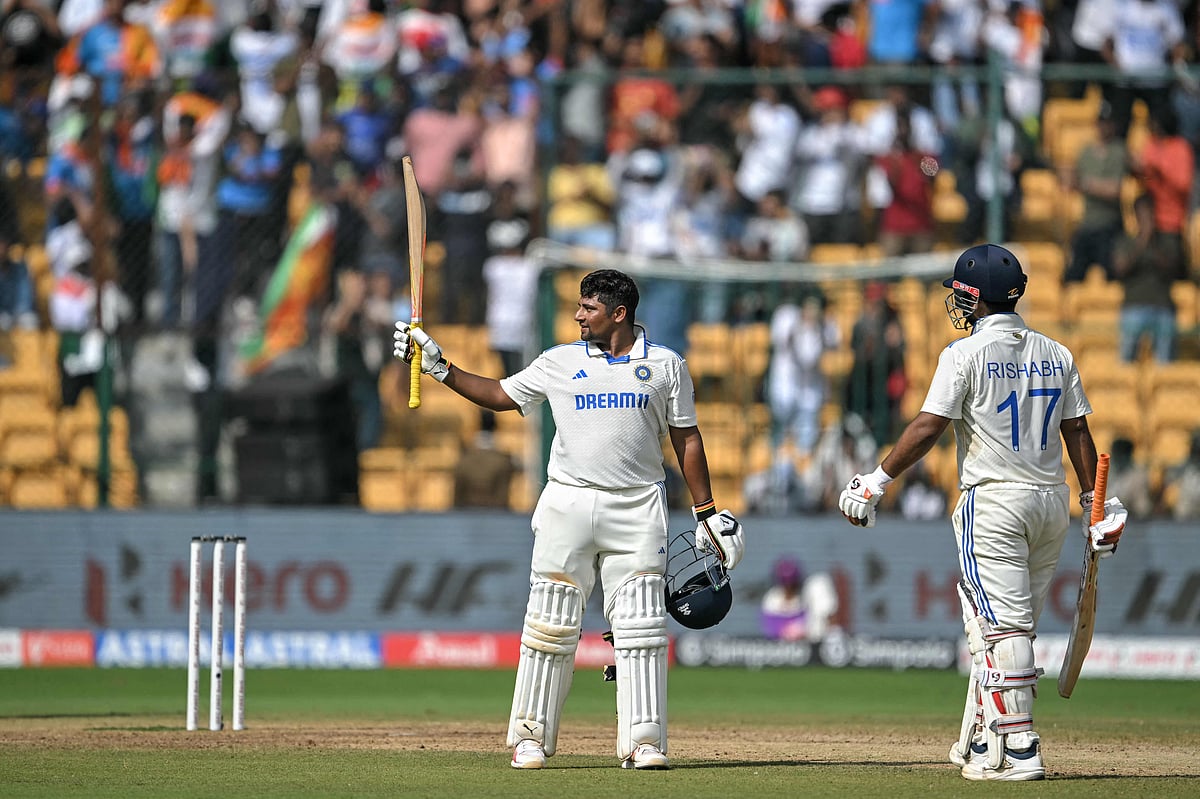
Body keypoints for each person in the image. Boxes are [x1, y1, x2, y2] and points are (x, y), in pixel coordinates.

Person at [393, 268, 746, 771]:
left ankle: (643, 742)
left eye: (589, 308)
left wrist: (706, 512)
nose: (578, 315)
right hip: (568, 503)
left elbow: (687, 438)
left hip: (638, 505)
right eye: (579, 306)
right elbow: (500, 395)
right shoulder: (559, 362)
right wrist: (440, 367)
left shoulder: (667, 366)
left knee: (642, 627)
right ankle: (530, 738)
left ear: (619, 314)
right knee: (551, 622)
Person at [836, 244, 1129, 781]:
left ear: (973, 296)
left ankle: (1019, 747)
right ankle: (982, 737)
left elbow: (929, 425)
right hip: (1050, 505)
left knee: (1003, 628)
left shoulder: (963, 354)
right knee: (995, 622)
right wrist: (1097, 504)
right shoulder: (1057, 353)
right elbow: (1079, 431)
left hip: (992, 500)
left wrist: (875, 481)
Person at [759, 556, 839, 643]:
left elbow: (822, 622)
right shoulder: (771, 600)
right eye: (785, 584)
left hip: (811, 646)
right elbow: (772, 631)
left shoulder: (810, 593)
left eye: (792, 585)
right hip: (782, 650)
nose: (788, 588)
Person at [453, 409, 518, 509]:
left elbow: (457, 500)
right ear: (496, 426)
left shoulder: (464, 461)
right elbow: (503, 500)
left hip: (467, 516)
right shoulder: (504, 462)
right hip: (497, 518)